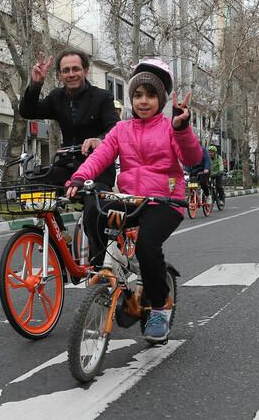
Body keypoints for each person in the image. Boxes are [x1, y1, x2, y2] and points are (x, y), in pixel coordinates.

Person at [65, 58, 203, 343]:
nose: (143, 101)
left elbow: (193, 159)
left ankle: (158, 308)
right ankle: (105, 275)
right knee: (93, 214)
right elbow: (99, 157)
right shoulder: (121, 130)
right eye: (138, 95)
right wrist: (79, 179)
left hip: (165, 201)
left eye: (150, 95)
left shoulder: (170, 127)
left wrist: (182, 128)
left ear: (161, 99)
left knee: (147, 246)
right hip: (130, 198)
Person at [19, 48, 118, 242]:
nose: (71, 74)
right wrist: (36, 84)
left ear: (86, 71)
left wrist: (99, 140)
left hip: (97, 170)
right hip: (67, 165)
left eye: (76, 69)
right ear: (59, 75)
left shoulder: (102, 97)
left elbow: (115, 128)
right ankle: (60, 235)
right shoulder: (57, 97)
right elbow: (28, 111)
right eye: (66, 70)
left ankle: (98, 264)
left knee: (94, 213)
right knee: (34, 183)